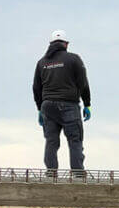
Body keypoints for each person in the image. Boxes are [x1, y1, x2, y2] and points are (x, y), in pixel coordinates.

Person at [32, 30, 91, 173]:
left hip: (48, 107)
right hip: (69, 106)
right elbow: (83, 82)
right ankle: (77, 174)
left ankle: (51, 173)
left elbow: (36, 87)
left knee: (51, 141)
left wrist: (40, 109)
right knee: (75, 140)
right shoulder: (74, 59)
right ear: (66, 44)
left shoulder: (42, 63)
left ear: (51, 44)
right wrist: (87, 104)